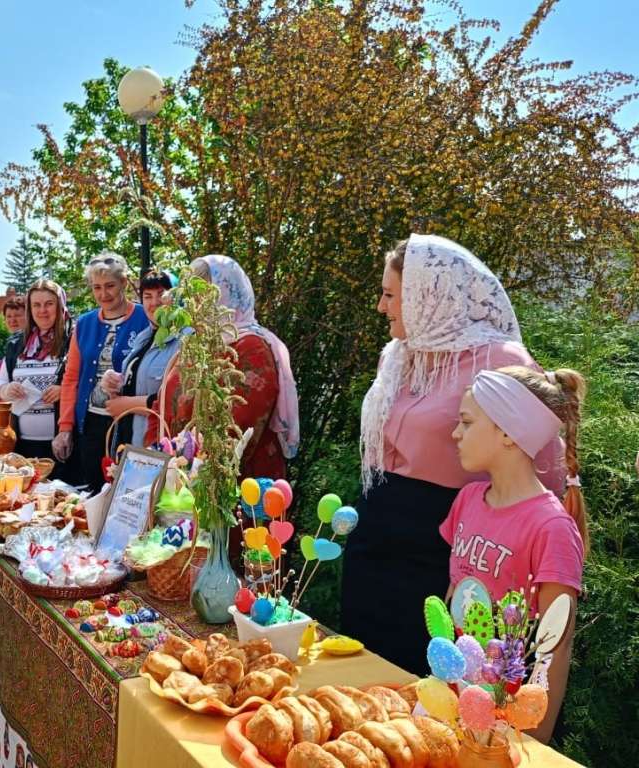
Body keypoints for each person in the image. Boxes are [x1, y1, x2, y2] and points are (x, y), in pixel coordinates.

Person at [341, 233, 565, 676]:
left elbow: (542, 457)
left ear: (429, 296)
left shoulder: (498, 357)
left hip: (441, 540)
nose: (381, 307)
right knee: (362, 667)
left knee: (423, 672)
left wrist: (525, 529)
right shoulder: (397, 356)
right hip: (376, 535)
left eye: (391, 295)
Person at [443, 365, 586, 743]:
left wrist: (534, 741)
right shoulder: (467, 500)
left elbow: (557, 647)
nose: (455, 433)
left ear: (507, 432)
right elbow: (454, 593)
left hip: (505, 724)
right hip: (451, 699)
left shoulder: (551, 528)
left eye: (467, 423)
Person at [160, 255, 300, 479]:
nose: (195, 306)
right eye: (191, 296)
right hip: (176, 478)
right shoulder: (194, 346)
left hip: (234, 485)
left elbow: (239, 429)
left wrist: (192, 469)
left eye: (202, 295)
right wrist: (158, 453)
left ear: (224, 295)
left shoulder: (252, 349)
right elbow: (161, 408)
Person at [56, 252, 150, 492]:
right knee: (94, 490)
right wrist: (65, 427)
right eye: (97, 287)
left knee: (127, 492)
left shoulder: (145, 318)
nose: (103, 294)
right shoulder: (84, 324)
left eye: (110, 286)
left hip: (131, 421)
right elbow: (71, 378)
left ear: (124, 283)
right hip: (91, 423)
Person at [0, 279, 71, 463]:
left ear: (60, 306)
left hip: (61, 444)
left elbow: (84, 382)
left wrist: (64, 391)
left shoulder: (72, 340)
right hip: (21, 443)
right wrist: (7, 389)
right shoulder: (17, 343)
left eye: (49, 304)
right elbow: (0, 382)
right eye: (36, 305)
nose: (42, 310)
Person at [105, 271, 181, 448]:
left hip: (158, 448)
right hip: (129, 444)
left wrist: (128, 405)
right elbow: (138, 382)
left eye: (161, 294)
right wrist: (114, 382)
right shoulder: (143, 338)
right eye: (147, 296)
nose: (154, 302)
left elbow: (179, 401)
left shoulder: (185, 341)